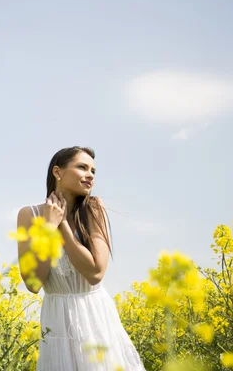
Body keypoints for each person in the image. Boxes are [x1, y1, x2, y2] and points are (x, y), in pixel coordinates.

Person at [17, 146, 145, 370]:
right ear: (58, 172)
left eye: (93, 171)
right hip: (56, 320)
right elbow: (33, 284)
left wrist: (61, 225)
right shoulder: (29, 215)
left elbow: (95, 272)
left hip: (95, 315)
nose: (91, 176)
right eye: (82, 167)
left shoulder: (93, 208)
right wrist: (47, 228)